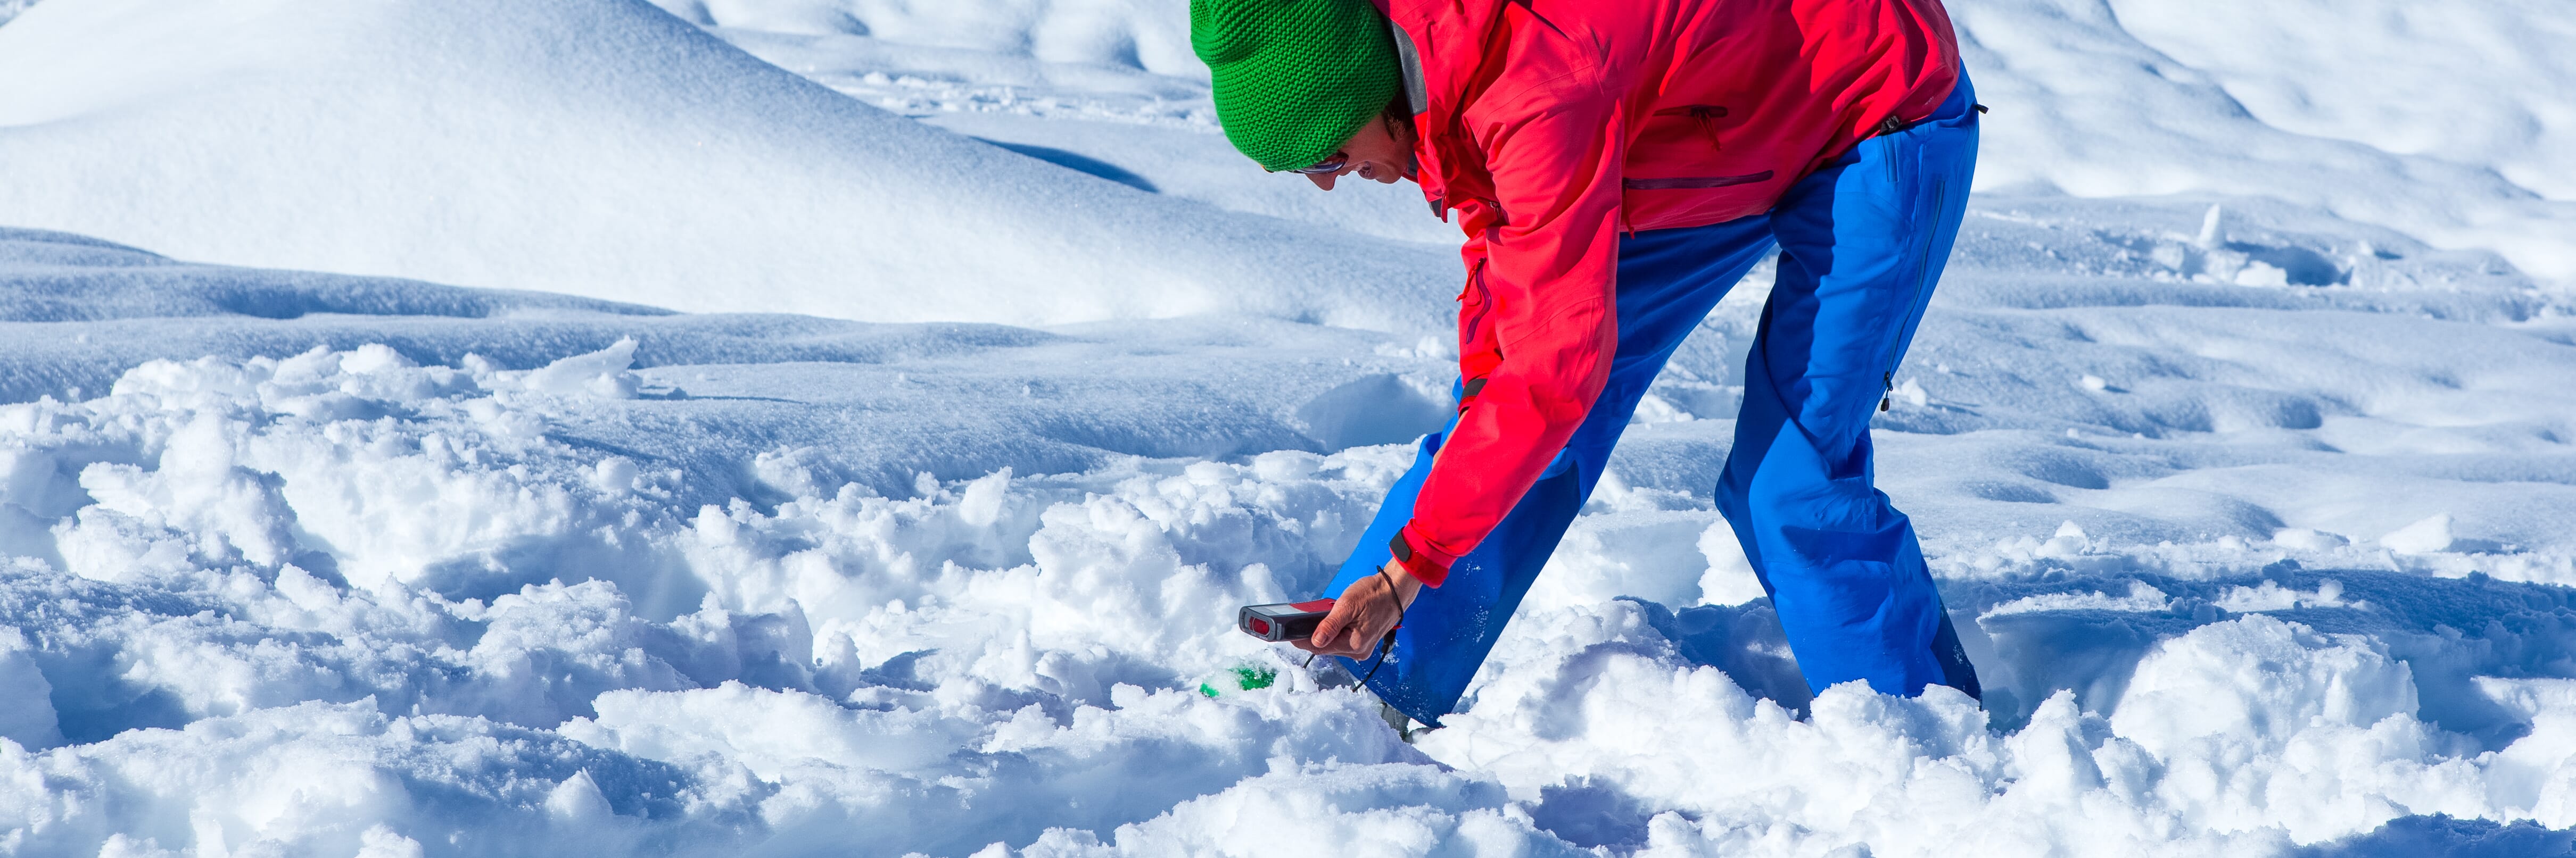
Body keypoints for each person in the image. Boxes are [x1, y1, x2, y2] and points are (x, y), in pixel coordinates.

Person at [1192, 0, 1985, 728]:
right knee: (1512, 427)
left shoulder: (1534, 83)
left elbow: (1556, 364)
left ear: (1361, 88)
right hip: (1710, 132)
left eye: (1324, 152)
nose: (1328, 180)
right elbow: (1501, 250)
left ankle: (1922, 738)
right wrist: (1483, 402)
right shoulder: (1440, 62)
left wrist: (1413, 565)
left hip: (1876, 109)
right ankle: (1362, 690)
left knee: (1788, 485)